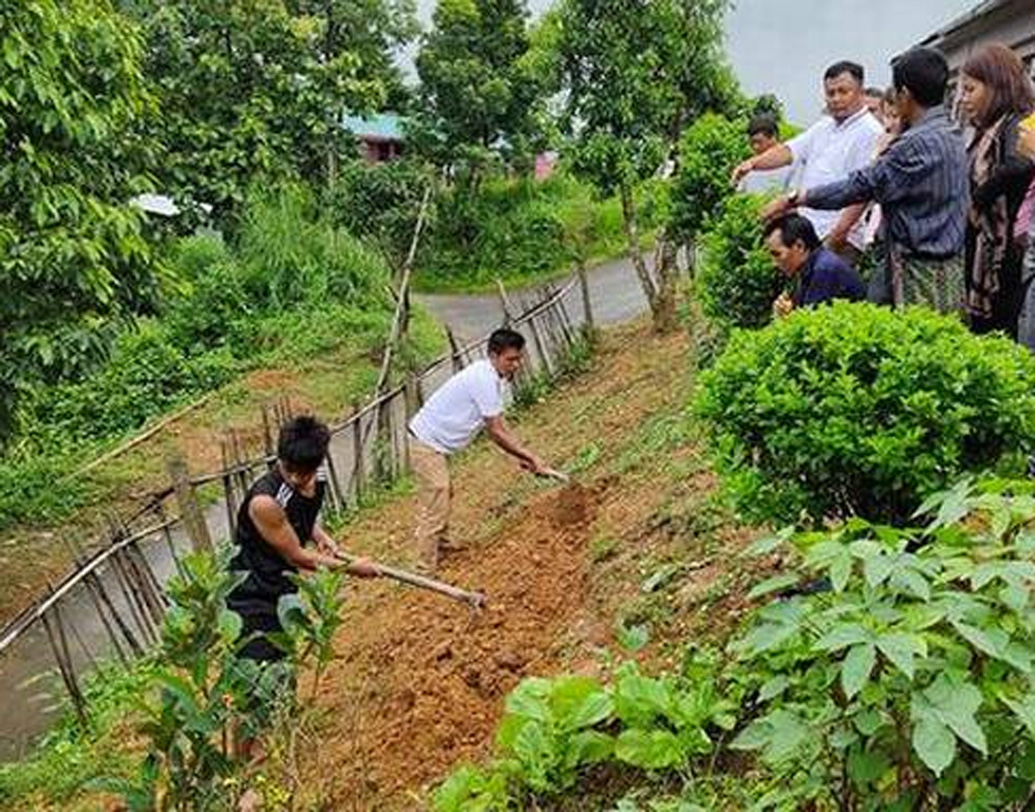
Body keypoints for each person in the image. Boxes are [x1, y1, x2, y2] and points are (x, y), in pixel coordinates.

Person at [763, 47, 970, 315]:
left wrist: (796, 198)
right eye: (831, 92)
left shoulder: (914, 144)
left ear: (904, 95)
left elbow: (861, 185)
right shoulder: (951, 132)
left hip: (918, 272)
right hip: (946, 267)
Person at [227, 415, 380, 750]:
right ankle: (242, 766)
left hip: (281, 586)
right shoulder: (265, 501)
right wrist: (354, 567)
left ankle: (281, 735)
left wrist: (321, 534)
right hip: (250, 592)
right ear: (281, 458)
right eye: (290, 469)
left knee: (281, 660)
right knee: (253, 677)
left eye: (305, 471)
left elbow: (301, 517)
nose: (297, 478)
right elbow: (297, 555)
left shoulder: (316, 476)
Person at [407, 328, 552, 572]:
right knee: (438, 493)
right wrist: (529, 456)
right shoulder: (483, 378)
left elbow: (500, 422)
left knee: (445, 493)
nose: (516, 365)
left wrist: (521, 455)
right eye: (510, 359)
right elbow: (495, 431)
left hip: (436, 441)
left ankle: (442, 546)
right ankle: (423, 568)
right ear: (494, 356)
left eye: (518, 358)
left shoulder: (496, 378)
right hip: (426, 441)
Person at [733, 61, 883, 262]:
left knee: (828, 292)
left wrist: (839, 234)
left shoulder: (870, 132)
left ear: (860, 92)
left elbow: (863, 190)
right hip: (809, 233)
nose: (836, 98)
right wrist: (753, 163)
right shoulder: (825, 126)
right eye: (830, 93)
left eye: (843, 91)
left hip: (839, 238)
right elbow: (788, 151)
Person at [959, 43, 1035, 338]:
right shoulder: (983, 128)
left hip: (1006, 255)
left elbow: (1019, 165)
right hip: (981, 247)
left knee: (1001, 332)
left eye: (970, 90)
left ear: (995, 87)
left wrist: (977, 201)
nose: (963, 99)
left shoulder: (1016, 123)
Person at [765, 214, 866, 317]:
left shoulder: (824, 270)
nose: (774, 263)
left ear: (799, 246)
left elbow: (811, 323)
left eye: (777, 254)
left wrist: (789, 315)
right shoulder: (808, 266)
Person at [737, 113, 793, 195]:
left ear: (773, 137)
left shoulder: (791, 165)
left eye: (759, 142)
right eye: (752, 143)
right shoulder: (749, 169)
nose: (755, 147)